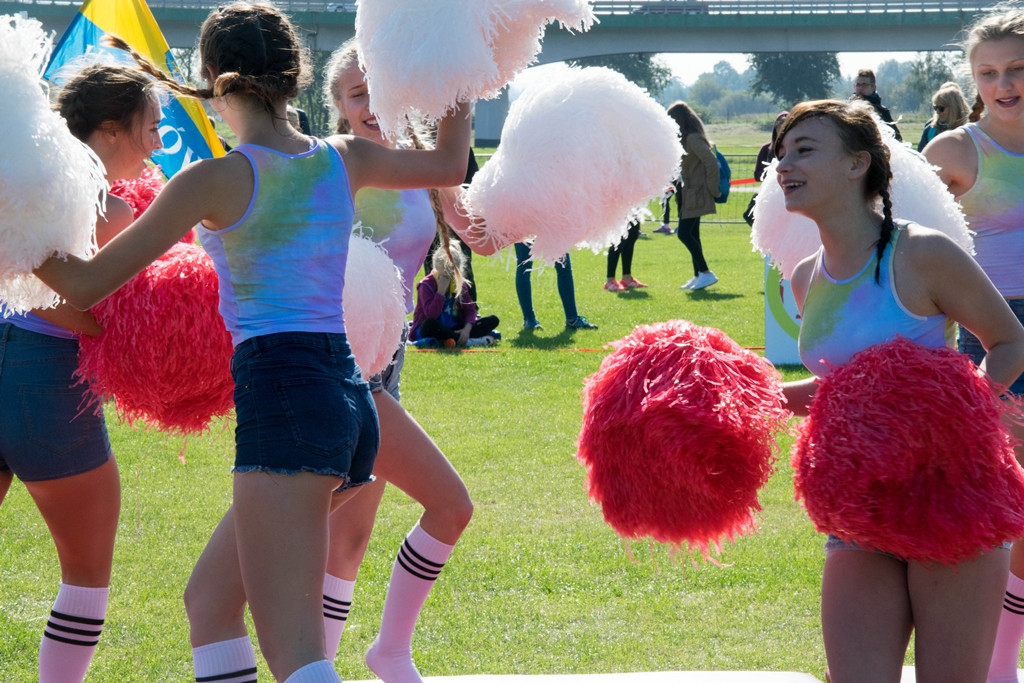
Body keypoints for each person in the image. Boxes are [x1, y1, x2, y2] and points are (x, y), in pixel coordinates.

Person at [31, 4, 472, 682]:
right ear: (295, 79)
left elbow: (86, 284)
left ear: (212, 78)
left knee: (295, 652)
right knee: (208, 603)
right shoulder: (344, 158)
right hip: (350, 404)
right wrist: (461, 80)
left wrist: (16, 230)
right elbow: (448, 159)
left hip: (284, 401)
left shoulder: (212, 181)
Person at [179, 35, 485, 683]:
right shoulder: (337, 168)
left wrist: (464, 81)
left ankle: (371, 654)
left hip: (363, 376)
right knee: (342, 550)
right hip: (339, 373)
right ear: (332, 99)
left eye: (379, 90)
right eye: (355, 94)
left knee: (338, 550)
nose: (370, 104)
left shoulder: (386, 165)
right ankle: (369, 657)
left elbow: (471, 214)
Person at [777, 99, 1024, 683]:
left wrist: (970, 408)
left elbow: (1009, 341)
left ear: (858, 163)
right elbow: (839, 385)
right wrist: (736, 389)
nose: (784, 164)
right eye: (781, 152)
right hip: (859, 505)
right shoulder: (805, 276)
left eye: (804, 150)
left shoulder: (922, 252)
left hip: (953, 495)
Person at [0, 63, 161, 683]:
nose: (156, 142)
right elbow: (103, 319)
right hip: (45, 384)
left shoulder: (19, 190)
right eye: (151, 128)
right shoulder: (111, 212)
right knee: (87, 576)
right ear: (111, 130)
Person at [922, 8, 1024, 681]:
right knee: (1006, 504)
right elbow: (905, 253)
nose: (1003, 83)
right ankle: (998, 662)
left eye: (1017, 68)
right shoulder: (954, 153)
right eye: (988, 72)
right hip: (998, 342)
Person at [667, 101, 720, 290]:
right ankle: (698, 275)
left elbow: (710, 162)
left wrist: (713, 189)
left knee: (684, 233)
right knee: (693, 234)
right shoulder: (687, 139)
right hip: (687, 192)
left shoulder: (692, 138)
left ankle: (706, 273)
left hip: (696, 192)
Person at [411, 241, 499, 347]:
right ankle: (468, 341)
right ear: (436, 267)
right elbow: (431, 314)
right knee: (429, 324)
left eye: (452, 273)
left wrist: (466, 329)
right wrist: (441, 292)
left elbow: (470, 310)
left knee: (492, 320)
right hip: (435, 327)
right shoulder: (426, 285)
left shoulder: (459, 283)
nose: (448, 276)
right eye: (444, 273)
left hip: (456, 327)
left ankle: (456, 338)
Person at [514, 243, 597, 330]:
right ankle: (529, 320)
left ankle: (572, 319)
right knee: (524, 265)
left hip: (549, 228)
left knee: (563, 264)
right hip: (526, 229)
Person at [917, 81, 971, 152]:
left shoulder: (970, 129)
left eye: (941, 108)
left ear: (953, 108)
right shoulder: (930, 129)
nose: (937, 112)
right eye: (935, 108)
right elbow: (920, 155)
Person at [851, 68, 902, 141]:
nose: (860, 88)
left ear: (873, 87)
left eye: (864, 85)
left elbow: (897, 138)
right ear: (854, 87)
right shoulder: (847, 109)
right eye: (858, 85)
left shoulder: (882, 111)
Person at [605, 218, 647, 291]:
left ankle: (627, 278)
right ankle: (610, 281)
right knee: (618, 241)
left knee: (631, 237)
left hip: (633, 208)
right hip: (620, 209)